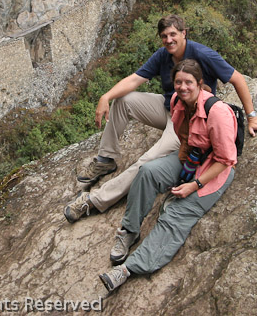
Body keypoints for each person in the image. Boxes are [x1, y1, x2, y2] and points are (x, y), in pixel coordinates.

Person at [64, 14, 257, 222]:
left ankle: (95, 200)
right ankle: (105, 160)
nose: (169, 40)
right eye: (164, 36)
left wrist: (252, 116)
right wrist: (106, 96)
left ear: (184, 33)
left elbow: (237, 79)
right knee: (123, 100)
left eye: (173, 34)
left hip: (189, 122)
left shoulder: (202, 54)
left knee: (146, 161)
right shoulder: (163, 55)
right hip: (169, 108)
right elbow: (136, 79)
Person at [98, 59, 237, 292]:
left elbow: (226, 160)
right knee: (148, 172)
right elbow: (184, 135)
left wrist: (193, 184)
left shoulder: (217, 113)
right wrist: (180, 166)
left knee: (176, 214)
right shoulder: (177, 101)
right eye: (178, 82)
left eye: (189, 82)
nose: (183, 87)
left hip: (214, 169)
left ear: (201, 85)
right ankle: (130, 231)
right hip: (191, 156)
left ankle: (129, 268)